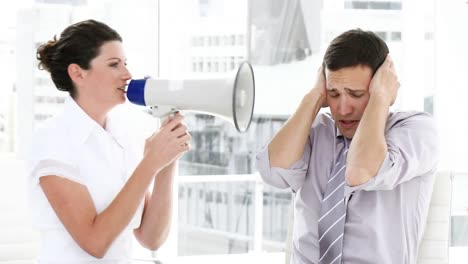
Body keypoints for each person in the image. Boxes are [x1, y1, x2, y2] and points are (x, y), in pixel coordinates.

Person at [256, 29, 439, 264]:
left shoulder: (415, 130)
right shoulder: (317, 130)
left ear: (380, 85)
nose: (343, 109)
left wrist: (381, 98)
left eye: (356, 94)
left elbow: (360, 173)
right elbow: (273, 173)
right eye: (333, 93)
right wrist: (313, 97)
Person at [29, 19, 191, 263]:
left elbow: (151, 238)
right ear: (77, 73)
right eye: (114, 64)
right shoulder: (53, 140)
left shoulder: (122, 137)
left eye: (125, 63)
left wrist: (167, 161)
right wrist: (151, 162)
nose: (127, 74)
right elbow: (95, 243)